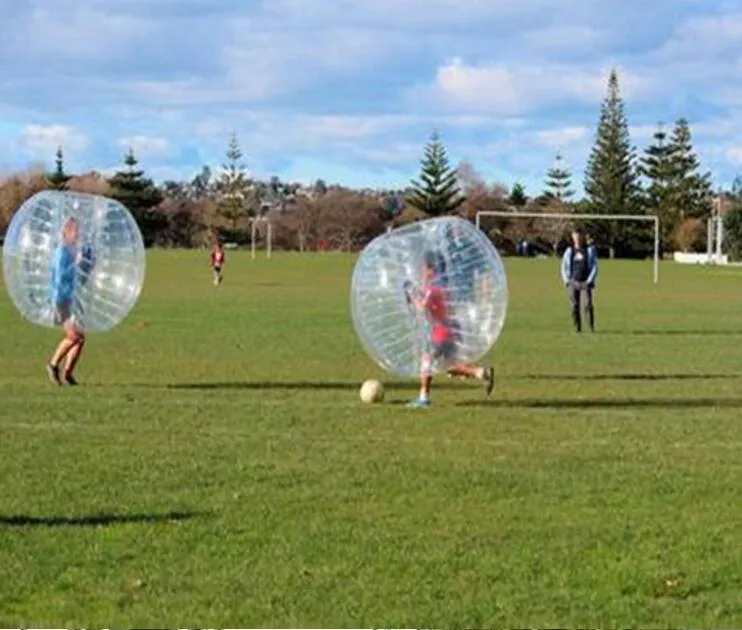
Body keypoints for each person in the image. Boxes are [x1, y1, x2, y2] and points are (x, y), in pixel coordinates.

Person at [406, 250, 495, 408]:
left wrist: (412, 295)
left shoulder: (432, 289)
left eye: (423, 268)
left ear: (430, 268)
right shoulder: (443, 286)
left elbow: (421, 307)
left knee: (426, 362)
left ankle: (423, 398)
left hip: (440, 333)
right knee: (450, 367)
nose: (421, 271)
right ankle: (481, 372)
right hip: (450, 331)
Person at [46, 217, 86, 386]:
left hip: (71, 299)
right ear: (66, 232)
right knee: (74, 335)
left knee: (80, 338)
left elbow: (78, 279)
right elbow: (63, 276)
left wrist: (86, 265)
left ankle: (68, 374)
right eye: (74, 231)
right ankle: (53, 365)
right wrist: (77, 264)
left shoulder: (71, 251)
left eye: (78, 231)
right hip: (60, 300)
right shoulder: (62, 252)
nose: (78, 234)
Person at [561, 228, 598, 332]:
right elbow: (564, 266)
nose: (577, 238)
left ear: (583, 237)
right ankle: (577, 328)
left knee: (588, 305)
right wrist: (567, 280)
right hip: (573, 281)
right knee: (574, 306)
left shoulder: (589, 250)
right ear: (572, 237)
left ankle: (591, 328)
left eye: (579, 236)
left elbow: (595, 266)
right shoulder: (569, 251)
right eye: (575, 236)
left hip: (586, 282)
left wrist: (590, 280)